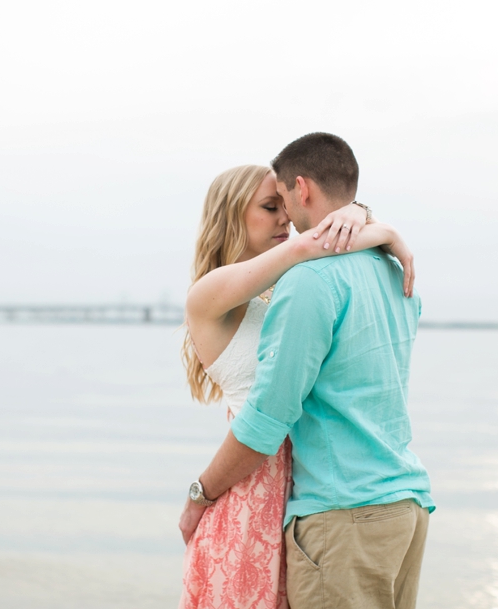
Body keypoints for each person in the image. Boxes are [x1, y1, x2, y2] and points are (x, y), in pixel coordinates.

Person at [179, 133, 434, 609]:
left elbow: (312, 249)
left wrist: (365, 218)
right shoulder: (210, 294)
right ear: (231, 214)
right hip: (254, 495)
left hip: (308, 495)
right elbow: (304, 249)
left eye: (284, 204)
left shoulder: (295, 288)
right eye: (268, 207)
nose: (284, 219)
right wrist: (379, 227)